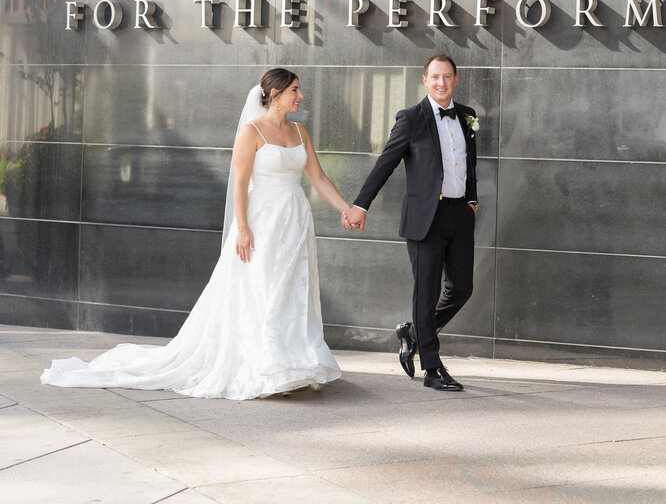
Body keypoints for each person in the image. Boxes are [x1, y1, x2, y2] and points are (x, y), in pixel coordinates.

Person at [41, 69, 350, 399]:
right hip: (261, 223)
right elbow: (241, 186)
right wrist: (243, 229)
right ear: (274, 94)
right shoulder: (252, 132)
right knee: (261, 290)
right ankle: (267, 368)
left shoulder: (300, 131)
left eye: (299, 90)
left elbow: (317, 178)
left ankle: (294, 363)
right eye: (294, 90)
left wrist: (346, 209)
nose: (300, 96)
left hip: (294, 222)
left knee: (292, 289)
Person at [341, 54, 478, 392]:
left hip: (460, 214)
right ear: (425, 80)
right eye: (435, 77)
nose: (441, 82)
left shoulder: (468, 117)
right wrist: (361, 205)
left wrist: (472, 200)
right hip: (425, 219)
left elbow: (468, 163)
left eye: (447, 76)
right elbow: (385, 164)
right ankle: (432, 370)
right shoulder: (412, 118)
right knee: (426, 294)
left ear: (456, 80)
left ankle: (413, 333)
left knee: (462, 289)